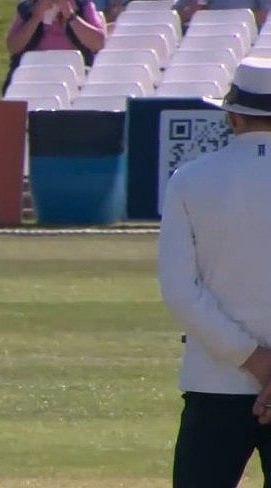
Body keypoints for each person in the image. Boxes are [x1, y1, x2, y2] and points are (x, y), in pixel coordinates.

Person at [159, 56, 271, 488]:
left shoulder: (190, 180)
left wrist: (254, 360)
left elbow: (180, 290)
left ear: (232, 116)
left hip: (215, 379)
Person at [3, 0, 106, 92]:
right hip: (33, 79)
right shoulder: (28, 8)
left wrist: (71, 16)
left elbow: (100, 43)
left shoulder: (83, 5)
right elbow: (13, 47)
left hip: (75, 80)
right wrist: (35, 19)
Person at [175, 0, 271, 25]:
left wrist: (232, 19)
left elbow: (266, 15)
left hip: (244, 40)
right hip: (203, 37)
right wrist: (193, 10)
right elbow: (175, 17)